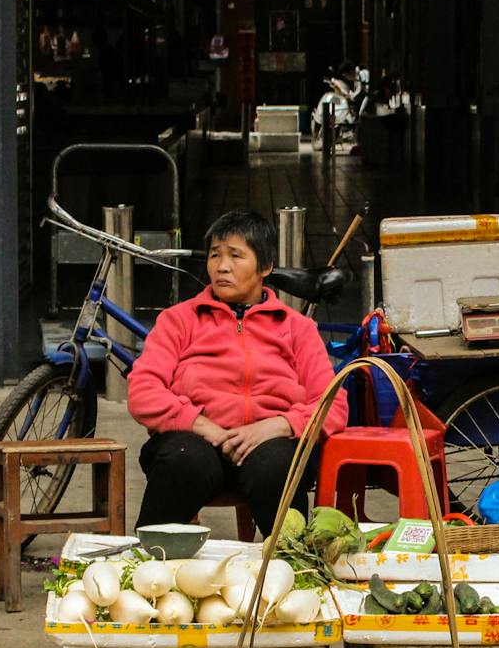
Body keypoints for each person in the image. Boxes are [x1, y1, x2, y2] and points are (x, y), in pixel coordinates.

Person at [125, 209, 348, 529]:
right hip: (195, 444)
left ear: (266, 266)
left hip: (270, 446)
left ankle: (290, 567)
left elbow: (333, 405)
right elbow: (143, 392)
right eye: (215, 255)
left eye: (235, 255)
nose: (222, 266)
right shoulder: (178, 320)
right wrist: (201, 425)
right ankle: (151, 564)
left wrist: (278, 425)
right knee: (183, 458)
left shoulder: (297, 327)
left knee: (276, 465)